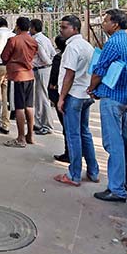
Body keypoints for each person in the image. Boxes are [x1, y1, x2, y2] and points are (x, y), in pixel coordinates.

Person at [87, 9, 127, 202]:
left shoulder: (113, 43)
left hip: (112, 97)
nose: (103, 24)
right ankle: (126, 183)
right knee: (122, 143)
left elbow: (99, 70)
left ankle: (116, 188)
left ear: (115, 24)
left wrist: (92, 88)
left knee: (113, 144)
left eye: (106, 20)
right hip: (125, 97)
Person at [53, 15, 99, 186]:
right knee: (84, 133)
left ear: (75, 28)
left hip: (74, 94)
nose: (61, 30)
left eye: (64, 27)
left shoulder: (72, 47)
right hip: (85, 94)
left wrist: (61, 98)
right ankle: (93, 171)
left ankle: (74, 174)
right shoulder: (87, 46)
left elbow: (69, 74)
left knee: (73, 135)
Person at [1, 17, 38, 148]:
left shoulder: (14, 40)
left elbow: (4, 57)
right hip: (29, 74)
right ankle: (30, 135)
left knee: (19, 107)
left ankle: (21, 137)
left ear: (17, 26)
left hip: (17, 75)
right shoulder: (33, 41)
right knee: (29, 106)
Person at [30, 19, 56, 135]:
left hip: (41, 69)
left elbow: (44, 58)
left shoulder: (37, 40)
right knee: (39, 97)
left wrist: (47, 63)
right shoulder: (45, 38)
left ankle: (47, 125)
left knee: (43, 97)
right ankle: (38, 122)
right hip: (44, 69)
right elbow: (53, 54)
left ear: (33, 28)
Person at [50, 35, 69, 163]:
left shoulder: (59, 58)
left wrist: (52, 88)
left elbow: (54, 77)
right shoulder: (69, 55)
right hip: (74, 92)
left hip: (60, 92)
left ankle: (69, 152)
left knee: (66, 125)